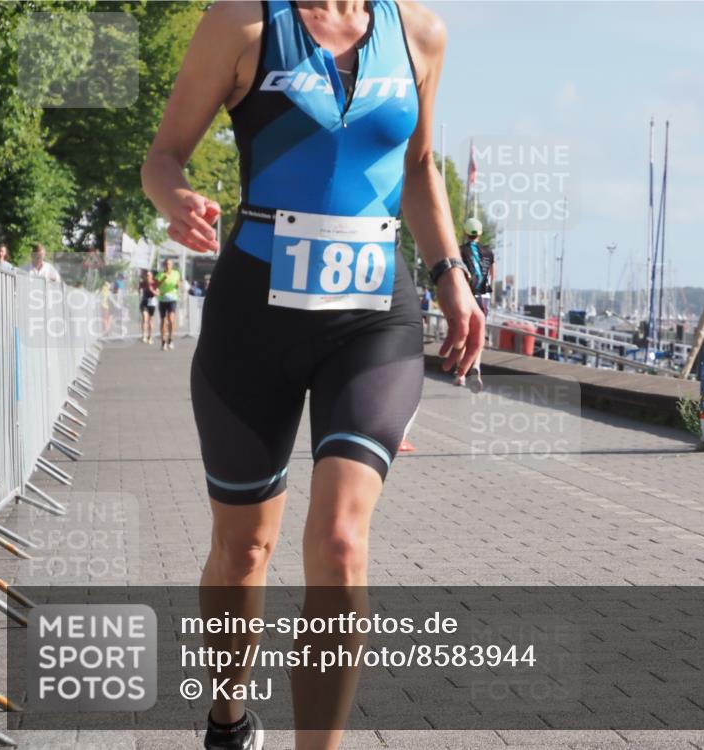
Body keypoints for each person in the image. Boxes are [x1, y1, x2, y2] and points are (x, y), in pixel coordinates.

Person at [140, 2, 482, 749]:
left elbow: (418, 166)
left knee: (338, 542)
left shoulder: (420, 33)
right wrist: (176, 202)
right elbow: (163, 155)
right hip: (252, 320)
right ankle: (228, 717)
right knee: (245, 551)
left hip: (372, 320)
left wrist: (451, 274)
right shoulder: (243, 23)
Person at [457, 217, 494, 393]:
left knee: (463, 332)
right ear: (480, 234)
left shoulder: (461, 251)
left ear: (465, 232)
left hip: (467, 296)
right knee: (478, 334)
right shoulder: (488, 252)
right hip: (483, 297)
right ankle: (476, 368)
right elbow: (492, 276)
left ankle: (461, 374)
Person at [155, 258, 181, 350]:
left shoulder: (176, 273)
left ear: (172, 265)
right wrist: (163, 278)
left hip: (172, 298)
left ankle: (170, 339)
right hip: (162, 299)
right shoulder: (160, 274)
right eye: (166, 264)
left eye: (169, 264)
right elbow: (156, 285)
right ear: (164, 265)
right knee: (163, 321)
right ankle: (163, 341)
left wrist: (178, 285)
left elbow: (178, 283)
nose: (167, 265)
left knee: (171, 319)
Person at [138, 269, 158, 344]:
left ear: (152, 276)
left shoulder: (155, 283)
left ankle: (150, 336)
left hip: (152, 302)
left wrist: (152, 290)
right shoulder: (142, 283)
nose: (147, 277)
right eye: (146, 275)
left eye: (149, 275)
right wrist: (140, 291)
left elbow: (157, 294)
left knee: (150, 320)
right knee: (144, 317)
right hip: (144, 302)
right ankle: (144, 335)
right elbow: (139, 290)